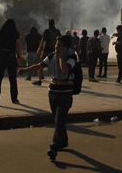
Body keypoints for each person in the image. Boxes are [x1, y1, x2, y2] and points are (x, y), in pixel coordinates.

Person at [19, 34, 78, 162]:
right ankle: (63, 141)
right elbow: (40, 65)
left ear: (67, 47)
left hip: (65, 93)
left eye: (60, 46)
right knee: (58, 120)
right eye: (56, 45)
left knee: (59, 120)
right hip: (53, 92)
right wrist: (25, 70)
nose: (57, 47)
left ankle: (54, 146)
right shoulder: (51, 55)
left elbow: (64, 71)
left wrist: (61, 57)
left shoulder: (71, 57)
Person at [0, 19, 22, 106]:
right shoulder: (16, 33)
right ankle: (14, 99)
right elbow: (18, 45)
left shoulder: (1, 32)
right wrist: (19, 57)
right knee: (13, 79)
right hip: (11, 57)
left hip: (1, 56)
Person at [37, 19, 61, 86]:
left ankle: (39, 80)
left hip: (47, 51)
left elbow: (42, 41)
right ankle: (56, 80)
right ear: (54, 23)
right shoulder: (58, 31)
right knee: (56, 66)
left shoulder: (47, 31)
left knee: (41, 65)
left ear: (49, 24)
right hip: (55, 51)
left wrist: (39, 50)